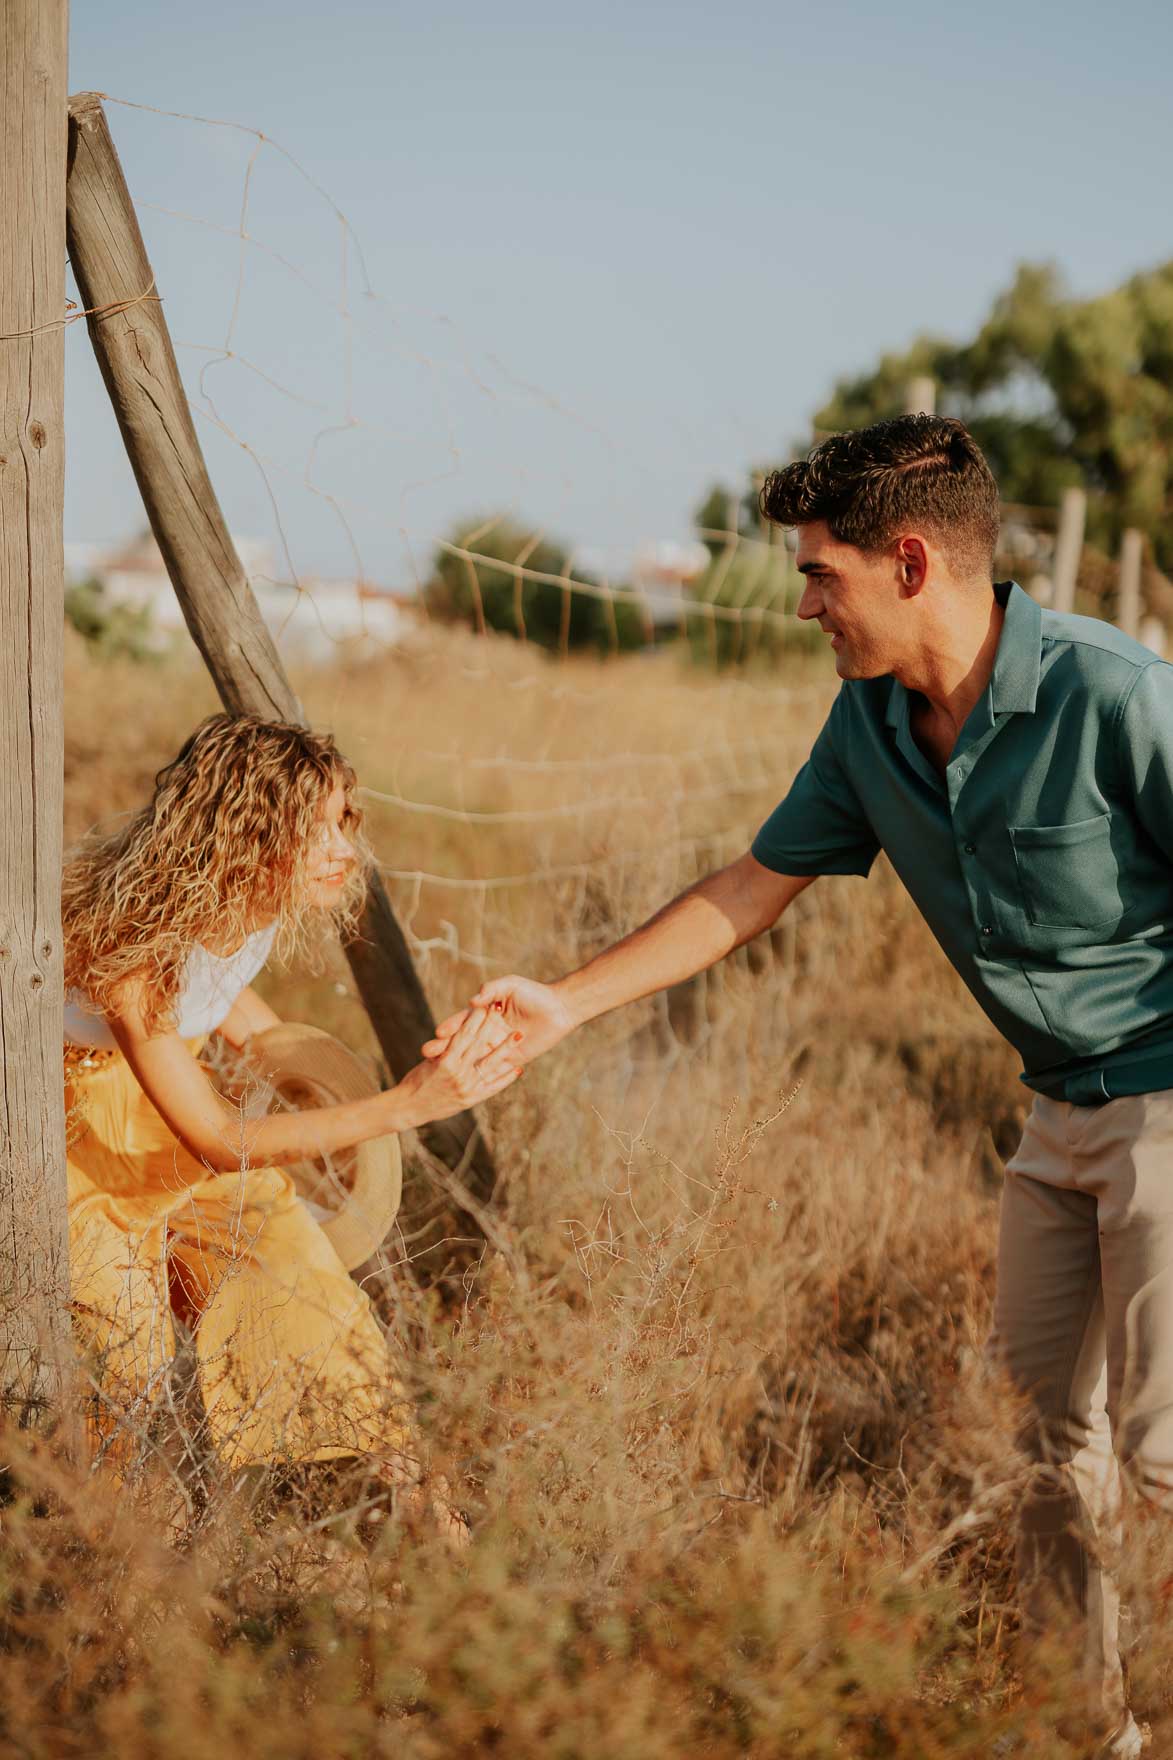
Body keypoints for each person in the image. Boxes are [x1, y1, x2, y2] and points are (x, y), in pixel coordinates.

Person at [424, 415, 1170, 1756]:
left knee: (1166, 1464)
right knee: (1042, 1449)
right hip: (1054, 1112)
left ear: (904, 562)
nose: (803, 601)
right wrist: (563, 1006)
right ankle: (1090, 1729)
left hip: (1170, 1102)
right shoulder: (866, 728)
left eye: (819, 574)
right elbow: (748, 889)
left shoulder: (1113, 693)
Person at [63, 712, 520, 1544]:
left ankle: (429, 1529)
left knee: (308, 1280)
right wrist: (401, 1105)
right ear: (238, 833)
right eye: (310, 829)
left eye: (343, 820)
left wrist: (306, 1088)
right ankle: (125, 1590)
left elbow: (225, 998)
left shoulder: (245, 905)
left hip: (162, 1124)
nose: (342, 847)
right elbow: (212, 1138)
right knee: (124, 1392)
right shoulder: (129, 944)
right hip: (80, 1154)